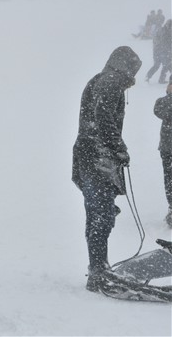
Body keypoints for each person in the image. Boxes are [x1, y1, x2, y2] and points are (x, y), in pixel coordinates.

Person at [72, 46, 142, 293]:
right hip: (97, 158)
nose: (133, 78)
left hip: (87, 156)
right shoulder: (111, 81)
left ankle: (97, 267)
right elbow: (102, 118)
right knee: (101, 216)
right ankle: (99, 269)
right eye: (134, 71)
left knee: (96, 215)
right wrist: (119, 148)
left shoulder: (99, 79)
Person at [154, 77, 172, 227]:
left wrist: (169, 94)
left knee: (170, 179)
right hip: (168, 148)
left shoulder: (165, 101)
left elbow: (159, 109)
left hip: (168, 147)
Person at [145, 19, 172, 84]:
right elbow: (164, 42)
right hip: (161, 51)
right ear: (168, 25)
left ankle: (151, 77)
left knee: (162, 65)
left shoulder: (165, 31)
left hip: (161, 51)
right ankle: (150, 77)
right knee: (165, 65)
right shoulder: (164, 31)